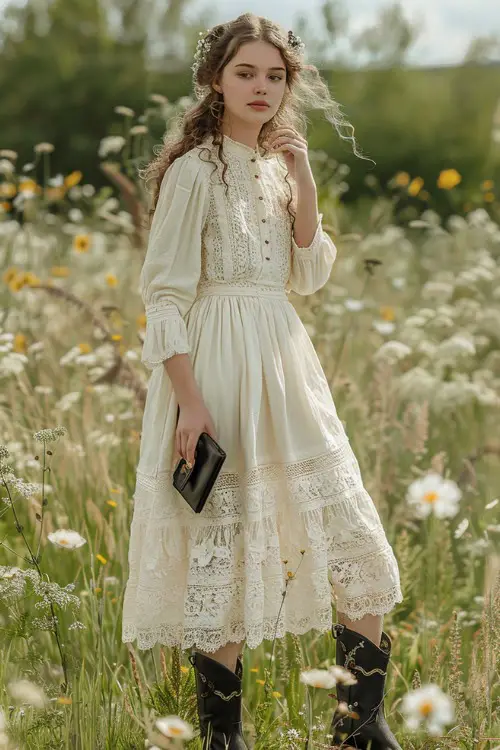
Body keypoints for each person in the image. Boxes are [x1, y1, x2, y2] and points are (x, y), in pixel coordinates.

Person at [122, 12, 403, 750]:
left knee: (359, 548)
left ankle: (358, 725)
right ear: (216, 79)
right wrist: (189, 404)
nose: (261, 87)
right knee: (224, 556)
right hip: (214, 370)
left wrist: (304, 173)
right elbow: (166, 295)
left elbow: (307, 274)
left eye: (274, 75)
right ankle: (223, 738)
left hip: (284, 360)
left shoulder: (281, 166)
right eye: (245, 72)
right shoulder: (192, 170)